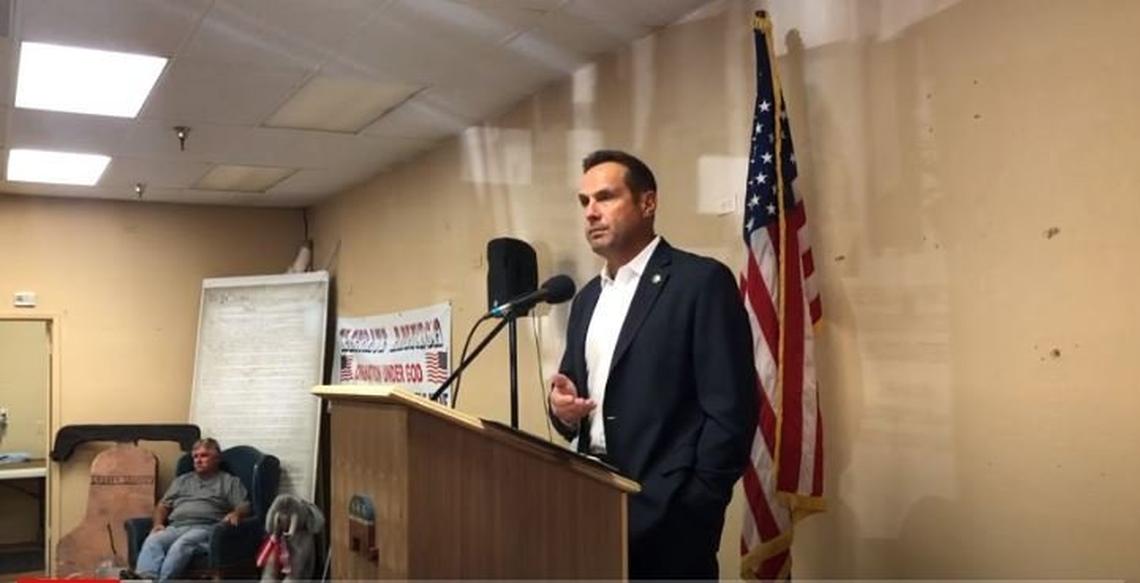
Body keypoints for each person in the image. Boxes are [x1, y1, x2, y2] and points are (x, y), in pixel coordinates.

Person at [549, 150, 759, 579]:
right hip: (594, 506)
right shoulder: (588, 298)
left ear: (648, 203)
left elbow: (731, 410)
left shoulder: (700, 282)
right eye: (584, 202)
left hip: (671, 516)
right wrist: (562, 409)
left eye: (605, 198)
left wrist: (697, 502)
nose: (591, 213)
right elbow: (575, 395)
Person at [130, 438, 249, 581]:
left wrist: (236, 513)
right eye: (195, 456)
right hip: (176, 527)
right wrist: (157, 524)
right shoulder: (182, 481)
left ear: (217, 459)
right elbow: (163, 505)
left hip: (206, 528)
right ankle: (145, 578)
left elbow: (244, 505)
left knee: (182, 544)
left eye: (204, 456)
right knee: (153, 540)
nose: (198, 460)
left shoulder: (229, 481)